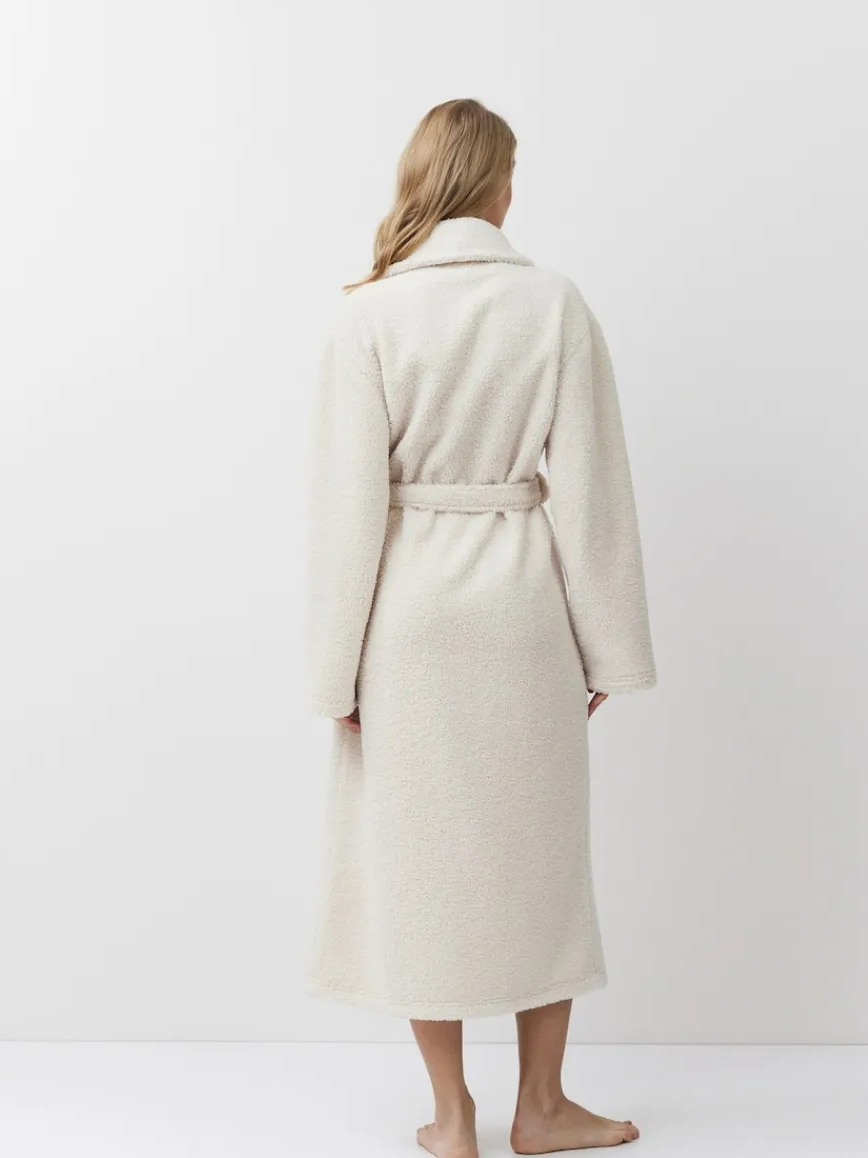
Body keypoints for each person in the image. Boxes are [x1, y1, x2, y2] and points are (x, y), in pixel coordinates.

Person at [304, 98, 656, 1156]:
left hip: (405, 623)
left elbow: (346, 511)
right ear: (494, 186)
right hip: (522, 614)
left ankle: (453, 1114)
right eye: (511, 175)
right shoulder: (552, 304)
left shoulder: (368, 315)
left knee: (420, 865)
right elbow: (592, 486)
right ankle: (541, 1106)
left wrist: (335, 673)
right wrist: (609, 643)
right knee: (540, 858)